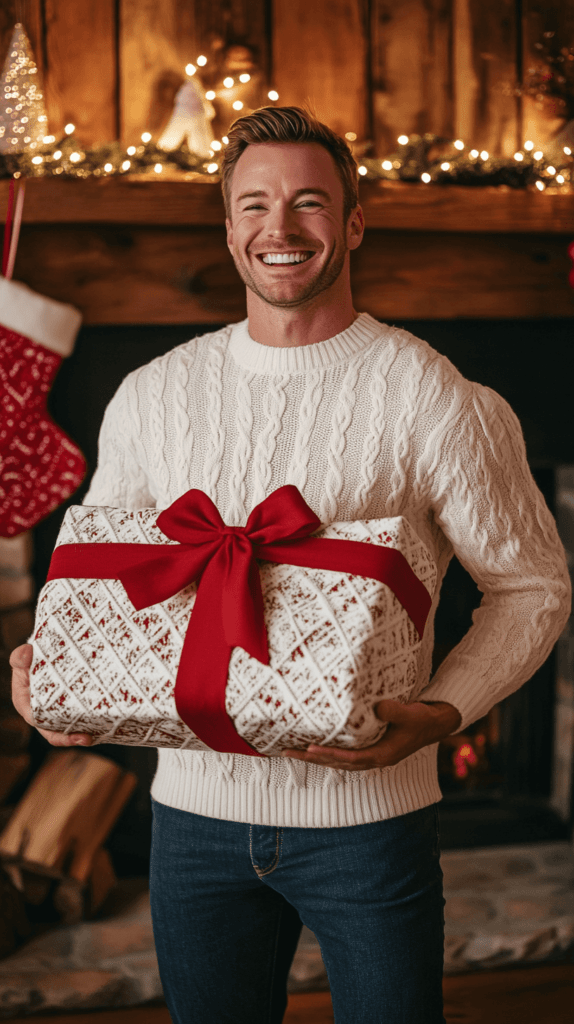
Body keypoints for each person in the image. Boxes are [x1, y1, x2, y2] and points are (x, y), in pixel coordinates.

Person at [11, 107, 571, 1024]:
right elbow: (103, 578)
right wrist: (48, 669)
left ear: (353, 223)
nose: (281, 227)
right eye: (256, 204)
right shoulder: (151, 395)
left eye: (310, 202)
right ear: (228, 227)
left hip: (369, 825)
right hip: (188, 825)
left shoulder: (432, 393)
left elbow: (533, 587)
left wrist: (440, 716)